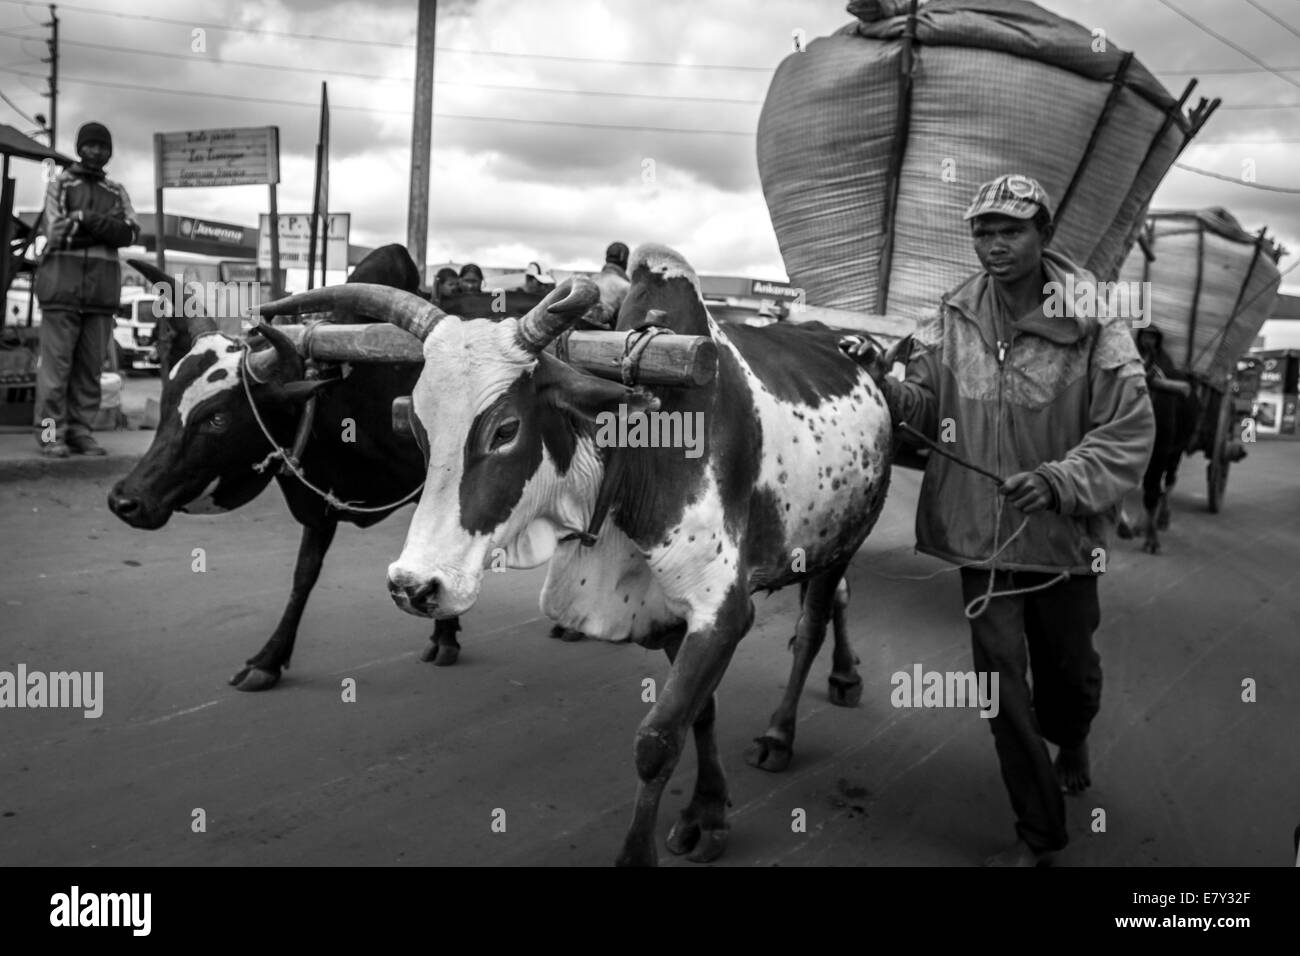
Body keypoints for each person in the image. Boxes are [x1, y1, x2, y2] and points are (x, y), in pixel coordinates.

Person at [842, 173, 1154, 867]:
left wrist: (1059, 480)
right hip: (982, 538)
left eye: (1010, 230)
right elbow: (925, 410)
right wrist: (886, 390)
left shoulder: (1096, 320)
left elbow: (1130, 427)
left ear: (1044, 234)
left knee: (1068, 682)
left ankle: (1072, 734)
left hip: (1065, 541)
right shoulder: (952, 315)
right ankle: (1039, 832)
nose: (993, 245)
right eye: (982, 231)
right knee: (1001, 688)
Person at [33, 121, 139, 457]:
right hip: (59, 290)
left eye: (102, 146)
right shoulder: (61, 184)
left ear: (109, 151)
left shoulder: (116, 190)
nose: (96, 151)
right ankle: (51, 436)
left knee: (90, 372)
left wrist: (86, 219)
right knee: (55, 373)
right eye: (91, 145)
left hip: (101, 294)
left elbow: (131, 234)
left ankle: (81, 432)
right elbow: (56, 232)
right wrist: (106, 228)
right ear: (80, 148)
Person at [587, 240, 630, 329]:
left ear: (606, 258)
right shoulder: (625, 287)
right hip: (605, 336)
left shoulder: (589, 280)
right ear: (624, 260)